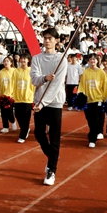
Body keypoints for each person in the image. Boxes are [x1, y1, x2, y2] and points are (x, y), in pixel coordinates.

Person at [30, 27, 68, 186]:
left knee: (54, 136)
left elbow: (56, 84)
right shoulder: (37, 59)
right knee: (39, 133)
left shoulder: (62, 59)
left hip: (55, 102)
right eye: (45, 38)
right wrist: (44, 78)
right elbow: (34, 79)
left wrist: (43, 103)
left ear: (56, 40)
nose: (47, 41)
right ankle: (53, 155)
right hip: (39, 102)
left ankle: (51, 170)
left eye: (50, 38)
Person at [77, 54, 107, 148]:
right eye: (91, 59)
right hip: (88, 100)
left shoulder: (101, 72)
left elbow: (105, 86)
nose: (92, 61)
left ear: (97, 61)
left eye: (94, 59)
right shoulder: (86, 72)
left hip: (98, 99)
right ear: (88, 61)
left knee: (96, 120)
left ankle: (92, 139)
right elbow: (82, 85)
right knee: (89, 119)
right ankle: (92, 133)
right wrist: (80, 95)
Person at [13, 52, 35, 143]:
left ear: (28, 60)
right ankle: (25, 129)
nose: (23, 60)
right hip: (18, 98)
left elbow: (34, 85)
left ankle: (22, 135)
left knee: (26, 118)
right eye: (21, 58)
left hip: (27, 98)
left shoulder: (31, 71)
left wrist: (34, 96)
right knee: (18, 115)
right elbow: (13, 83)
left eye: (25, 59)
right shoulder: (16, 71)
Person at [0, 56, 17, 133]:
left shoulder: (15, 71)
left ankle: (13, 121)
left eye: (7, 61)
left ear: (11, 62)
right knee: (3, 112)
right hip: (2, 95)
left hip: (11, 96)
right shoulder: (1, 72)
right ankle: (5, 127)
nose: (6, 62)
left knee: (9, 111)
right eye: (4, 61)